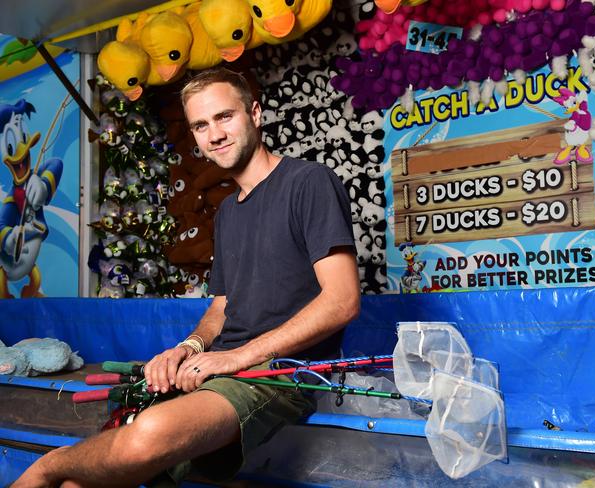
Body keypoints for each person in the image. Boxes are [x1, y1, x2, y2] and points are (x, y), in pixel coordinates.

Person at [12, 68, 360, 487]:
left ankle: (46, 466)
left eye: (224, 117)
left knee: (144, 436)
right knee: (80, 484)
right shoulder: (229, 211)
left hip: (278, 374)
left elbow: (342, 300)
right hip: (218, 369)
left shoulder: (309, 182)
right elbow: (223, 306)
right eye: (200, 124)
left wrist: (238, 356)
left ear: (255, 114)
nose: (214, 134)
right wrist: (188, 347)